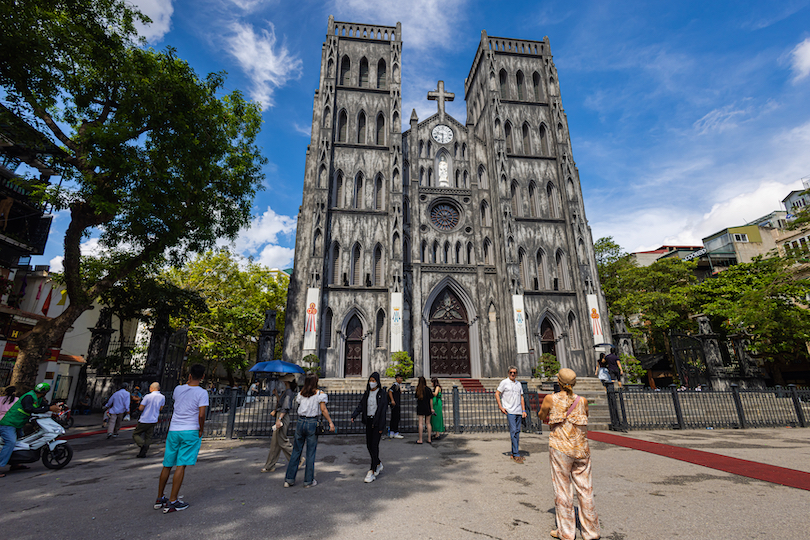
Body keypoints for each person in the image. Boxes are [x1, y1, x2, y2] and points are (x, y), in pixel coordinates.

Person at [538, 368, 600, 540]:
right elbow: (585, 414)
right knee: (586, 490)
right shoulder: (583, 401)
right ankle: (591, 532)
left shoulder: (551, 398)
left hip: (560, 448)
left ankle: (566, 532)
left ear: (558, 381)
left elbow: (541, 415)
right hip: (581, 449)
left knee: (563, 489)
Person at [155, 364, 209, 513]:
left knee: (167, 464)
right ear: (203, 377)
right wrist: (201, 429)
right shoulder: (202, 393)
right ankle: (173, 501)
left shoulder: (178, 389)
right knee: (181, 465)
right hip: (190, 429)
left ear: (189, 375)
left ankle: (160, 498)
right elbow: (201, 414)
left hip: (174, 430)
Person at [0, 382, 60, 477]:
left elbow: (44, 407)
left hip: (18, 424)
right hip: (9, 424)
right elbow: (29, 409)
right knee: (11, 442)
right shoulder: (29, 397)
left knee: (20, 444)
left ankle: (15, 464)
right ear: (45, 392)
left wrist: (53, 408)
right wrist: (49, 408)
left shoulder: (39, 398)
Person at [284, 374, 334, 488]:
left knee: (296, 451)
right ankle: (308, 481)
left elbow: (300, 404)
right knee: (310, 453)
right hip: (312, 423)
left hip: (300, 422)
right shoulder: (320, 394)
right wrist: (330, 422)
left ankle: (289, 479)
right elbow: (323, 409)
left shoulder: (301, 393)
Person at [351, 372, 387, 483]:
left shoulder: (382, 393)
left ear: (377, 381)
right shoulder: (367, 393)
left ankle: (371, 471)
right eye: (370, 380)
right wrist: (355, 415)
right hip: (368, 421)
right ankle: (378, 463)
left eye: (373, 380)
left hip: (377, 422)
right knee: (369, 445)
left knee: (374, 445)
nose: (372, 382)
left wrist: (381, 426)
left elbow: (383, 411)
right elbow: (361, 405)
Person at [261, 374, 297, 473]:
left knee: (282, 441)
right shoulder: (286, 391)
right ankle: (269, 465)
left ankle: (297, 460)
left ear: (287, 382)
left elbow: (286, 407)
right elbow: (281, 403)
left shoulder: (289, 392)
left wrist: (279, 419)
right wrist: (276, 394)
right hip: (280, 415)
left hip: (282, 417)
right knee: (275, 443)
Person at [495, 366, 527, 463]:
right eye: (511, 372)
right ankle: (516, 454)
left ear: (516, 374)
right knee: (513, 431)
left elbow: (521, 397)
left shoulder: (518, 384)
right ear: (508, 373)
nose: (513, 374)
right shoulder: (504, 382)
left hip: (518, 410)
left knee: (517, 431)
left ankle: (514, 452)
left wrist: (524, 410)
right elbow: (497, 393)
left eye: (514, 373)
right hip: (510, 411)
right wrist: (501, 406)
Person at [133, 382, 165, 458]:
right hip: (154, 419)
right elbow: (161, 408)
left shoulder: (147, 396)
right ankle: (143, 452)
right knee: (148, 436)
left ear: (151, 388)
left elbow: (141, 408)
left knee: (136, 434)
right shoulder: (162, 397)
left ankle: (142, 444)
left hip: (145, 418)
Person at [415, 376, 435, 444]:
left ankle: (420, 439)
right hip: (427, 407)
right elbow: (431, 400)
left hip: (420, 407)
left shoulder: (418, 389)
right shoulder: (428, 389)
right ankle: (429, 438)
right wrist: (431, 408)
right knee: (428, 423)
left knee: (420, 423)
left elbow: (416, 397)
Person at [387, 373, 404, 439]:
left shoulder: (397, 386)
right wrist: (392, 400)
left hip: (396, 404)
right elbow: (390, 391)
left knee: (394, 417)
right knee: (396, 418)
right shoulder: (395, 385)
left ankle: (392, 432)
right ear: (397, 379)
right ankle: (395, 432)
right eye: (400, 378)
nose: (401, 380)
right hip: (395, 404)